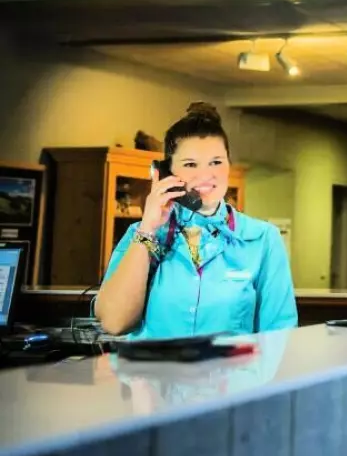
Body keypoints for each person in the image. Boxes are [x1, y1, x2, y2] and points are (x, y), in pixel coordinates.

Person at [95, 102, 297, 339]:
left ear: (229, 166)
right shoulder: (141, 234)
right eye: (190, 164)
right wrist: (148, 228)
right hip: (154, 363)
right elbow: (114, 323)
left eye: (216, 162)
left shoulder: (263, 239)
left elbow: (279, 337)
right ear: (165, 172)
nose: (205, 175)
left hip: (232, 364)